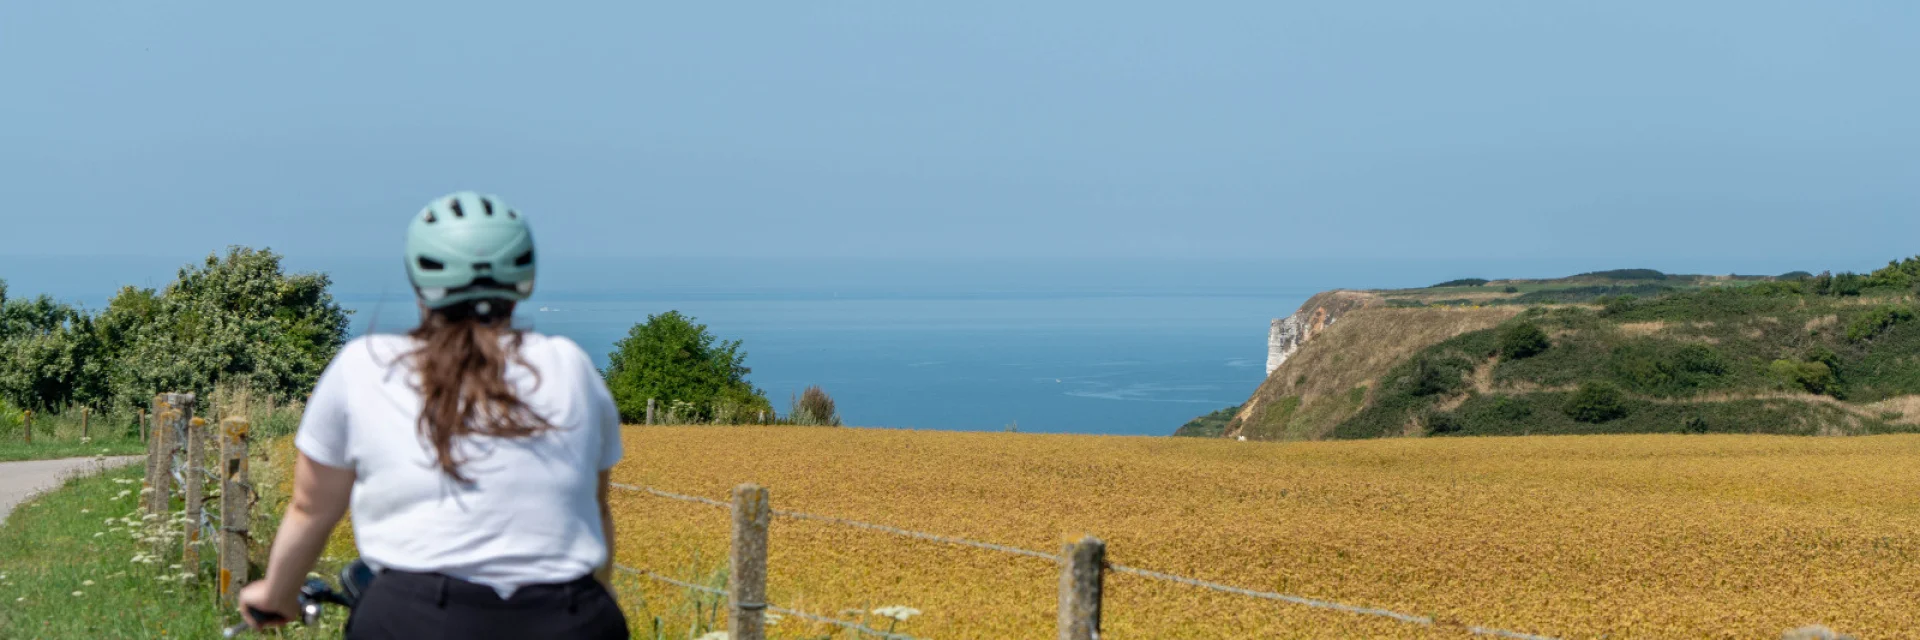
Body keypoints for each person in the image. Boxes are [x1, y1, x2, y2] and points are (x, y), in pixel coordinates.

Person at [237, 192, 629, 639]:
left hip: (413, 618)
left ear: (419, 280)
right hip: (569, 617)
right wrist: (595, 599)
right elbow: (595, 508)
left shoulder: (364, 365)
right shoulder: (569, 365)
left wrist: (276, 595)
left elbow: (311, 509)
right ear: (524, 280)